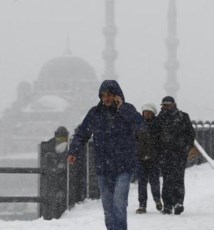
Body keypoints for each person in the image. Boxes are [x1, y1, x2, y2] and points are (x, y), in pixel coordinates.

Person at [67, 80, 144, 230]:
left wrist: (122, 109)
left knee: (119, 204)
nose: (106, 99)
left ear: (117, 95)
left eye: (109, 95)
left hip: (123, 166)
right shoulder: (95, 113)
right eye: (103, 95)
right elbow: (82, 134)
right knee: (108, 209)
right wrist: (73, 151)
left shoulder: (127, 110)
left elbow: (141, 127)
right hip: (103, 167)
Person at [154, 96, 195, 215]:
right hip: (164, 153)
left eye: (168, 104)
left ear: (174, 104)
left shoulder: (183, 117)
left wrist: (187, 147)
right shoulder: (160, 118)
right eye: (164, 105)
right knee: (167, 179)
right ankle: (167, 204)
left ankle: (178, 202)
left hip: (179, 153)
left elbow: (191, 134)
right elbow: (154, 134)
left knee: (178, 178)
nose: (166, 107)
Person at [135, 103, 163, 214]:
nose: (146, 114)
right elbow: (134, 139)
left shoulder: (157, 125)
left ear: (152, 113)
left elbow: (161, 141)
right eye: (145, 112)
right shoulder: (138, 125)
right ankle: (142, 205)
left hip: (153, 159)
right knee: (142, 182)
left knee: (154, 181)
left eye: (148, 112)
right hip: (140, 158)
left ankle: (157, 200)